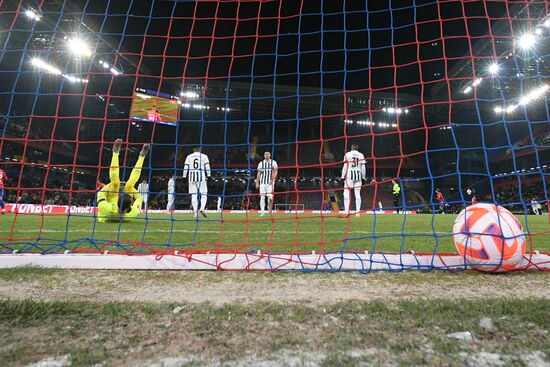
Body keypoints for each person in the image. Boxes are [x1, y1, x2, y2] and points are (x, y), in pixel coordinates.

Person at [96, 139, 150, 223]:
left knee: (115, 183)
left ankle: (115, 153)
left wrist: (107, 186)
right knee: (130, 185)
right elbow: (139, 199)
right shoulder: (131, 213)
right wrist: (131, 189)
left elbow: (100, 194)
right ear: (129, 207)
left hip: (111, 200)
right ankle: (142, 156)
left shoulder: (106, 208)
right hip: (120, 206)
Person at [183, 147, 211, 218]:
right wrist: (209, 175)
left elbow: (186, 167)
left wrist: (184, 176)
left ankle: (195, 213)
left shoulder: (189, 156)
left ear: (193, 150)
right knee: (204, 194)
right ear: (200, 149)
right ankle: (202, 208)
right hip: (201, 176)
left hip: (191, 177)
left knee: (194, 195)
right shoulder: (204, 156)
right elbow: (207, 167)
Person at [340, 144, 366, 217]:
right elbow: (363, 168)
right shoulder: (361, 155)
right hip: (358, 176)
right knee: (357, 194)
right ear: (357, 148)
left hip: (349, 176)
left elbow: (345, 166)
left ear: (351, 148)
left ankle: (346, 211)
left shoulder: (347, 154)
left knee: (346, 193)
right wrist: (363, 178)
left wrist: (342, 177)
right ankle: (357, 212)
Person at [255, 151, 278, 217]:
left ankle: (269, 207)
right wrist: (257, 182)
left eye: (268, 154)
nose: (267, 155)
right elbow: (259, 173)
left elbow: (276, 172)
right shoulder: (261, 163)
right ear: (264, 156)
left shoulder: (273, 162)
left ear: (270, 155)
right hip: (262, 183)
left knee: (270, 197)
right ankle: (262, 212)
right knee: (262, 197)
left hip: (270, 183)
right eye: (265, 154)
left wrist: (272, 180)